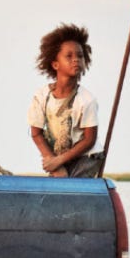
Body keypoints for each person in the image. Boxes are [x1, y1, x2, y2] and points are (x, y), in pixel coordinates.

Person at [28, 23, 104, 178]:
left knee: (70, 187)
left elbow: (90, 139)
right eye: (69, 56)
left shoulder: (86, 100)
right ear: (55, 64)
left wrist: (60, 160)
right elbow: (36, 133)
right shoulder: (41, 96)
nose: (76, 60)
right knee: (57, 185)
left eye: (80, 56)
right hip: (59, 156)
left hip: (86, 156)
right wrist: (53, 162)